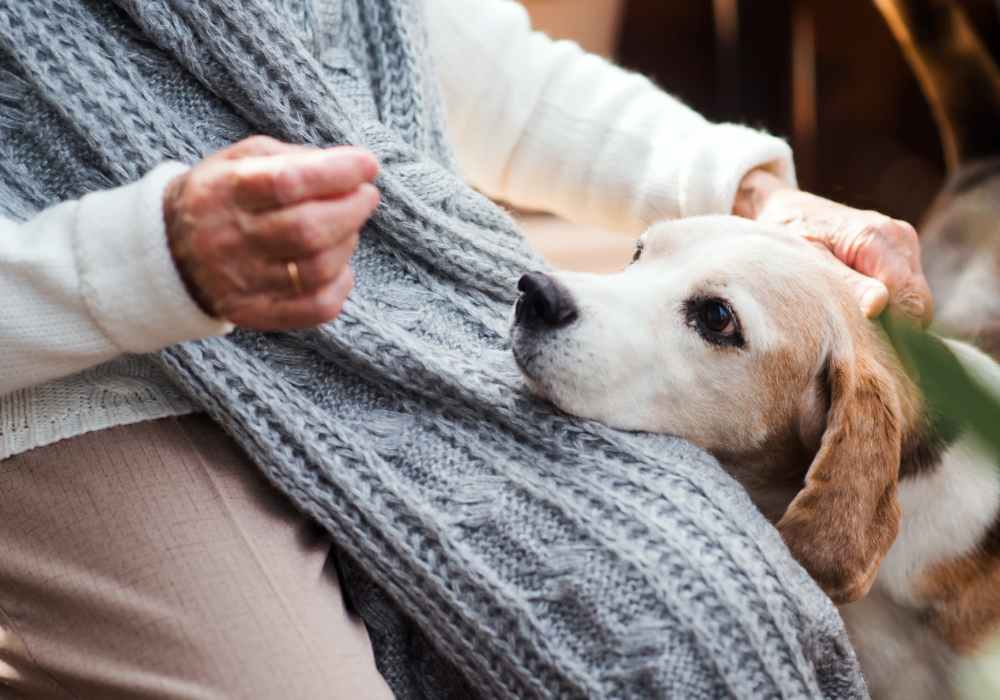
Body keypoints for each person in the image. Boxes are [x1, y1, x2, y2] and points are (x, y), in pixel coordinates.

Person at [0, 0, 931, 697]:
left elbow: (492, 77)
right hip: (87, 383)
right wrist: (146, 261)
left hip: (405, 322)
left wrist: (751, 195)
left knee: (707, 613)